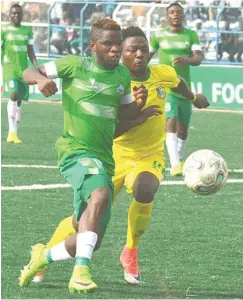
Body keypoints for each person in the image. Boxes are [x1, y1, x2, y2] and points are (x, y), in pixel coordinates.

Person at [29, 26, 209, 286]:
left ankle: (131, 251)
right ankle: (44, 254)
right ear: (120, 54)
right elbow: (111, 128)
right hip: (112, 156)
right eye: (131, 50)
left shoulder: (163, 73)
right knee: (82, 222)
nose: (139, 54)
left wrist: (194, 98)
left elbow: (178, 83)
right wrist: (138, 110)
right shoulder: (116, 81)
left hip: (149, 155)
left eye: (143, 49)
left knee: (145, 188)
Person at [18, 19, 147, 293]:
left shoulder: (123, 75)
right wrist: (41, 79)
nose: (115, 49)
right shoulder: (73, 65)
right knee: (99, 195)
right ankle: (80, 272)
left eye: (117, 43)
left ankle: (43, 256)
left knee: (89, 235)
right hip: (75, 151)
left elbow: (125, 117)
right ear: (93, 46)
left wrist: (140, 103)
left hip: (104, 158)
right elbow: (28, 71)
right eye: (107, 44)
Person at [150, 2, 204, 176]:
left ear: (183, 15)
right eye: (172, 12)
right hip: (165, 87)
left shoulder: (191, 35)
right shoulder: (158, 35)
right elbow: (147, 55)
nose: (175, 15)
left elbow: (198, 59)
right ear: (167, 16)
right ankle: (174, 164)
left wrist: (186, 60)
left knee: (183, 129)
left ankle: (179, 158)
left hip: (184, 87)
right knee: (170, 120)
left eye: (178, 12)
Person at [1, 4, 38, 143]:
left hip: (24, 70)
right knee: (13, 94)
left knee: (20, 100)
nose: (15, 15)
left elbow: (30, 50)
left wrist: (36, 66)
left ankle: (15, 133)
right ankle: (11, 132)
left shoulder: (27, 30)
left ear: (22, 15)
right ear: (9, 15)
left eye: (18, 13)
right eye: (13, 13)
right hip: (9, 68)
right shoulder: (3, 30)